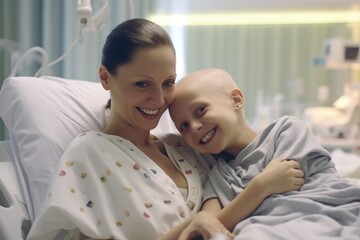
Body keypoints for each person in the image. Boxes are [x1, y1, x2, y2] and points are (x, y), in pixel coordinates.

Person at [26, 19, 302, 240]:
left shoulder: (185, 147)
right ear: (105, 78)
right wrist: (197, 222)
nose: (159, 100)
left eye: (168, 82)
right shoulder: (89, 154)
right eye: (142, 85)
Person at [169, 68, 360, 239]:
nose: (194, 127)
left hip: (332, 213)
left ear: (236, 100)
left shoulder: (285, 130)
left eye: (201, 110)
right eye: (184, 126)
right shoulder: (218, 175)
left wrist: (248, 201)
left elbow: (289, 194)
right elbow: (212, 224)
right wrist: (261, 186)